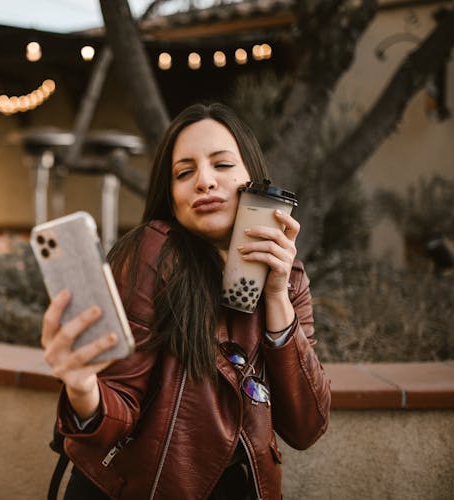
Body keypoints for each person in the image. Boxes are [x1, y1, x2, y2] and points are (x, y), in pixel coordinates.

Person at [41, 102, 331, 499]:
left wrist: (277, 297)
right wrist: (81, 386)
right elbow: (117, 407)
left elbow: (306, 426)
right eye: (184, 172)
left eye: (223, 165)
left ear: (254, 181)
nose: (205, 182)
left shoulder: (288, 276)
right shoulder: (151, 254)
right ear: (171, 194)